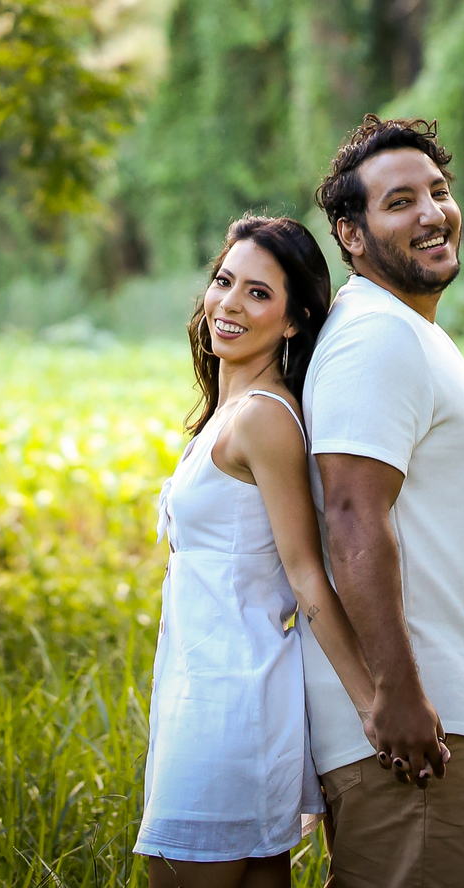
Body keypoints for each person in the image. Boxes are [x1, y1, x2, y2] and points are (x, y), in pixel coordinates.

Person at [301, 115, 464, 888]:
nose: (431, 213)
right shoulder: (375, 338)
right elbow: (353, 514)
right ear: (350, 234)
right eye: (401, 202)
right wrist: (395, 692)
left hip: (424, 715)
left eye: (439, 192)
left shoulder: (403, 331)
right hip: (415, 726)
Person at [134, 215, 376, 888]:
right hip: (211, 693)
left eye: (258, 293)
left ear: (295, 320)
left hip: (228, 706)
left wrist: (371, 705)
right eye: (223, 281)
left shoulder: (265, 417)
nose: (230, 304)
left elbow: (306, 574)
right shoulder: (231, 412)